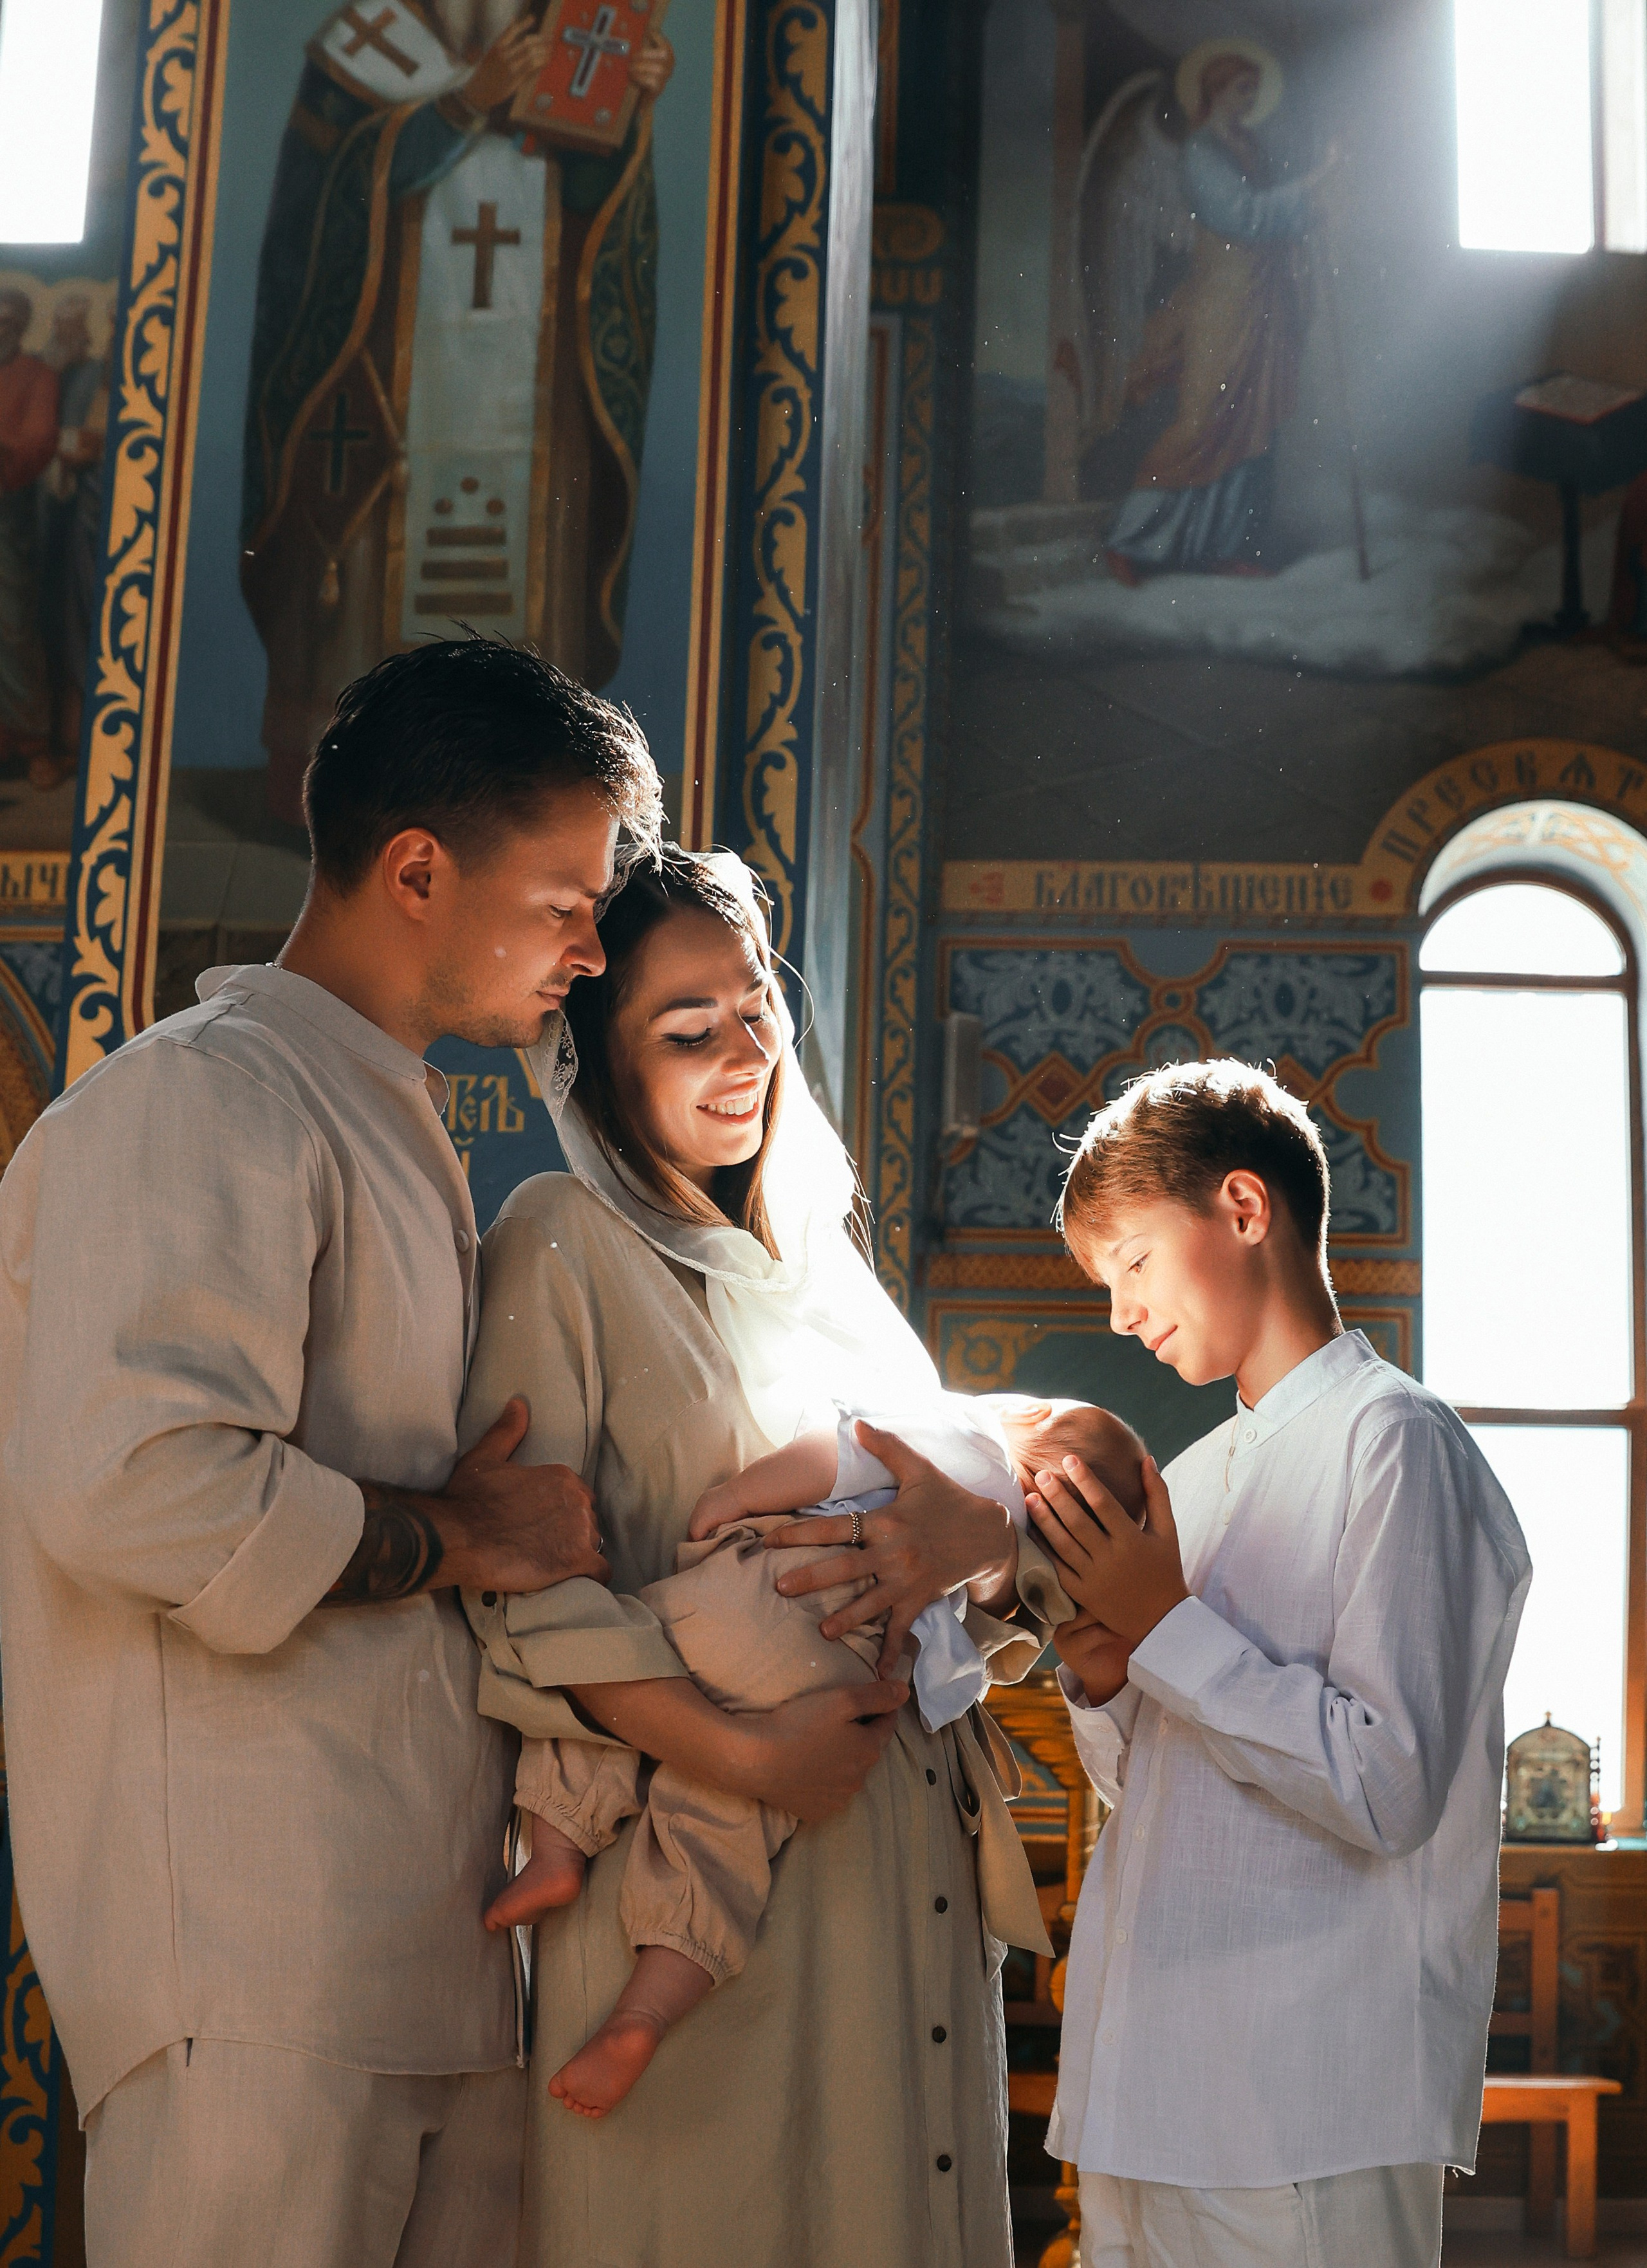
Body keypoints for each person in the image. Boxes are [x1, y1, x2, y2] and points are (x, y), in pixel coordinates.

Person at [0, 638, 659, 2267]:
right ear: (417, 870)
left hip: (421, 1948)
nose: (592, 950)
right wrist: (468, 1533)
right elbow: (133, 1487)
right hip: (252, 1956)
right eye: (566, 900)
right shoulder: (200, 1101)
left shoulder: (380, 1111)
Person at [458, 845, 1076, 2268]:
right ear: (600, 1065)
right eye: (689, 1032)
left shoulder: (827, 1278)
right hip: (702, 1892)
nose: (744, 1058)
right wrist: (751, 1759)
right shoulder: (563, 1244)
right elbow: (523, 1590)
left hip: (902, 1876)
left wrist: (981, 1544)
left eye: (757, 1013)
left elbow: (952, 1531)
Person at [1022, 1059, 1532, 2268]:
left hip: (1306, 2093)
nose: (1121, 1315)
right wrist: (1107, 1676)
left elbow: (1387, 1787)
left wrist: (1166, 1628)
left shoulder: (1395, 1441)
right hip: (1148, 2081)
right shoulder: (1193, 1480)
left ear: (1244, 1208)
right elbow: (1164, 1796)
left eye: (1134, 1262)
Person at [493, 1395, 1143, 2118]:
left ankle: (557, 1845)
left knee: (617, 1665)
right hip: (843, 1670)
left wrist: (734, 1498)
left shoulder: (967, 1440)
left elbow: (840, 1453)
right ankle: (642, 2014)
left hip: (773, 1594)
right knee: (720, 1832)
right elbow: (953, 1672)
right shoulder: (993, 1540)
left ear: (1040, 1419)